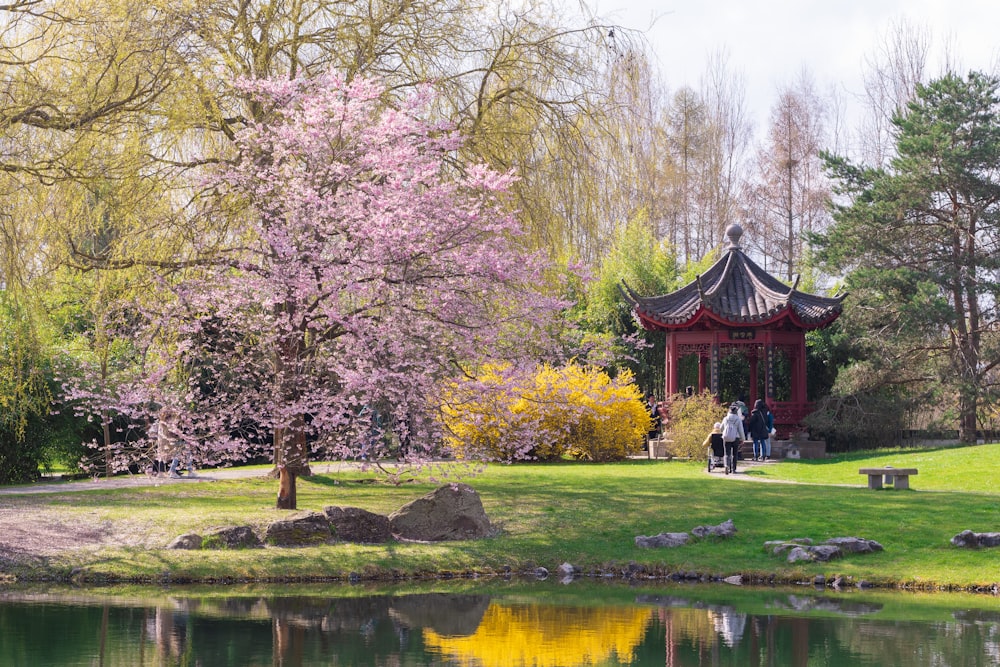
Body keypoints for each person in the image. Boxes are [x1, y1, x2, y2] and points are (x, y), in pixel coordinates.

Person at [720, 403, 745, 474]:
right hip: (736, 438)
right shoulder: (738, 419)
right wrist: (743, 439)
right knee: (735, 453)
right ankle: (733, 469)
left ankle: (726, 465)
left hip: (726, 437)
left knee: (727, 453)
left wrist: (724, 432)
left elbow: (721, 428)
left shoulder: (725, 418)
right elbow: (741, 430)